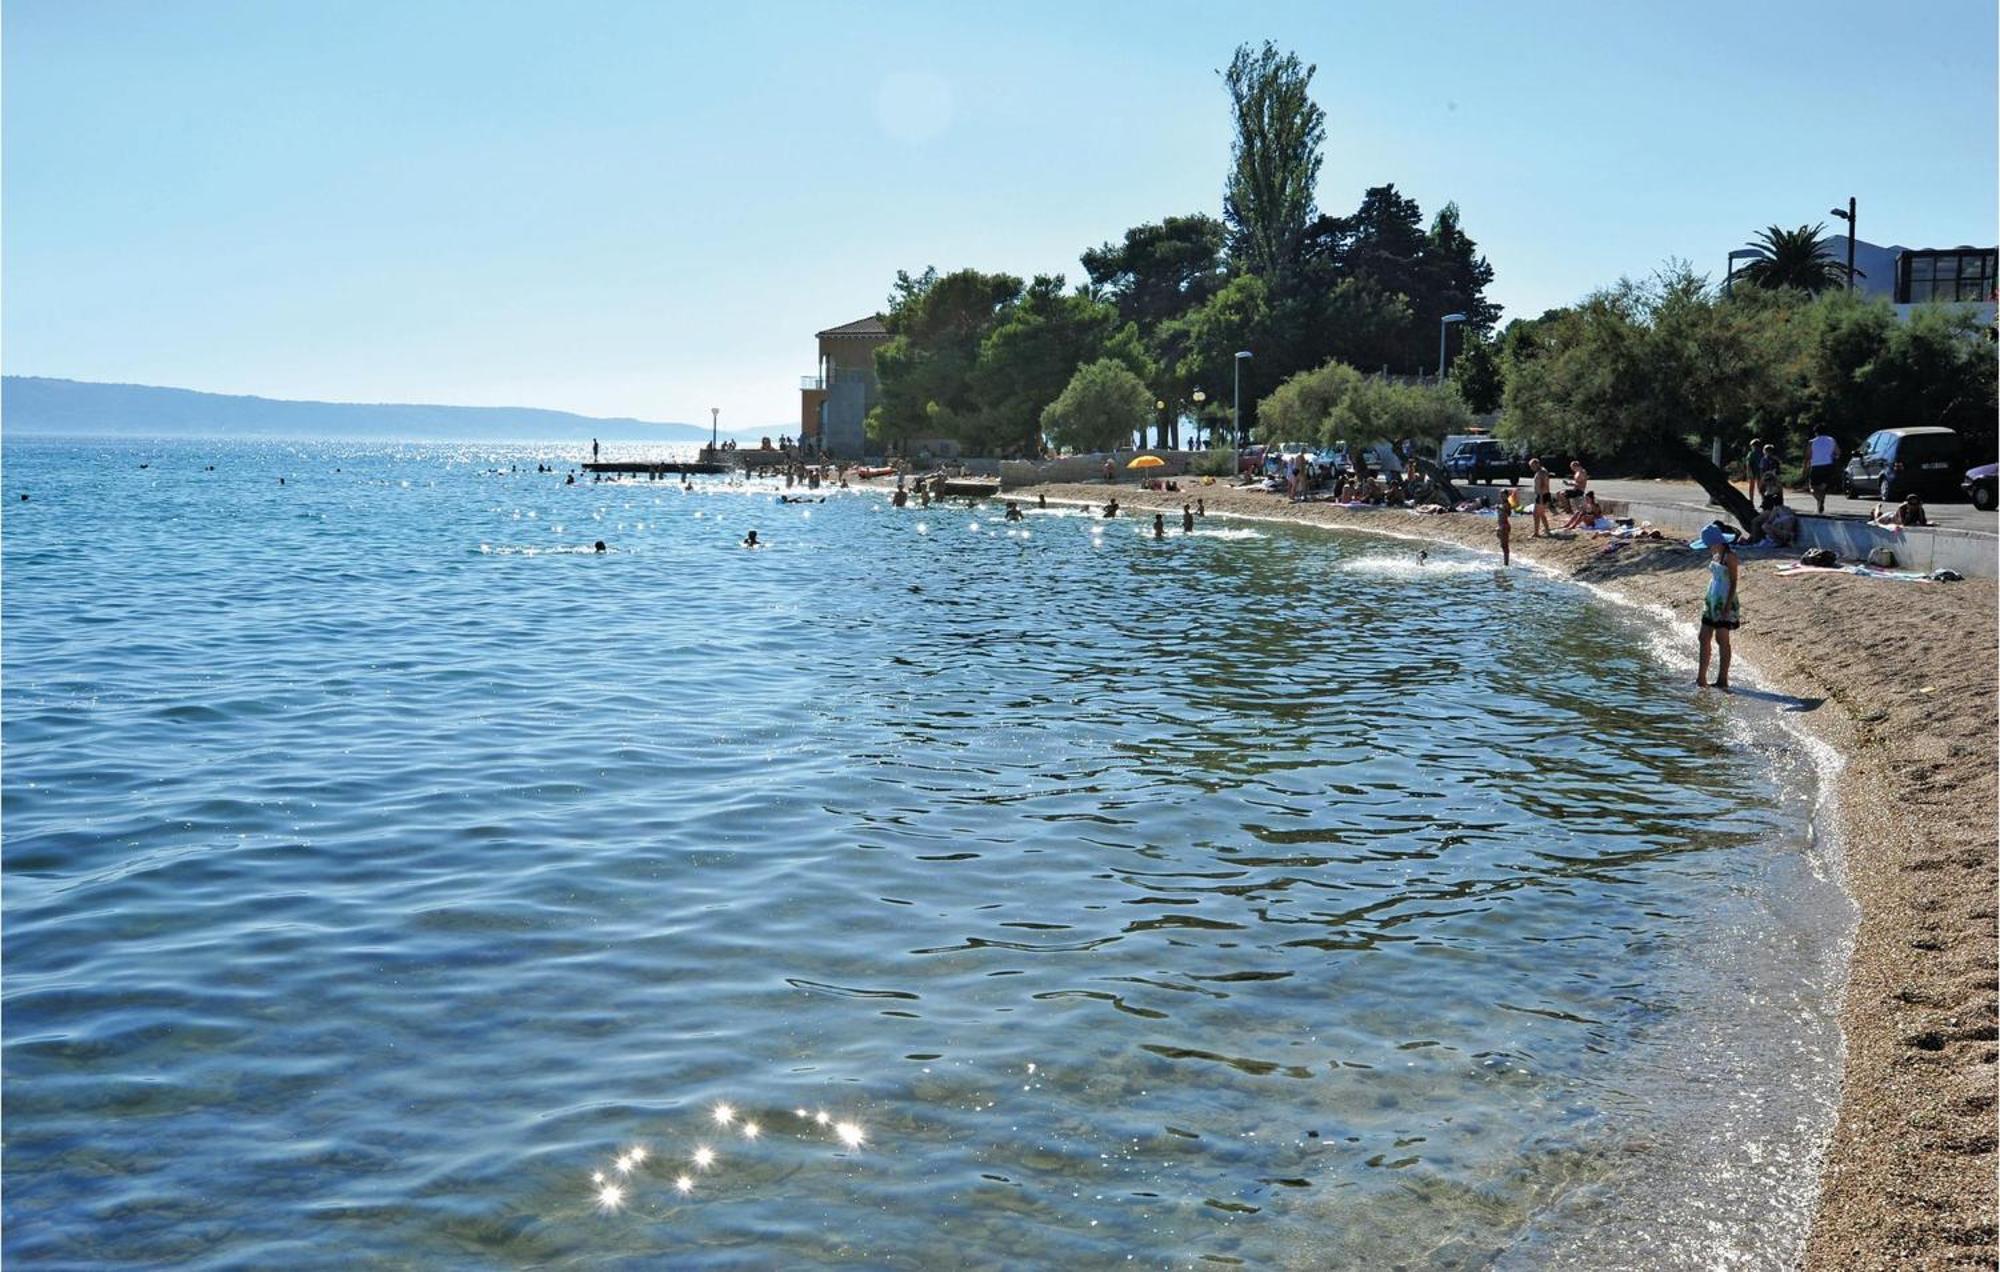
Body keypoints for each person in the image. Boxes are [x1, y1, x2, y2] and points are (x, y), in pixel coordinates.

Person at [1694, 523, 1740, 690]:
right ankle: (1701, 678)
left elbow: (1734, 582)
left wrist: (1727, 605)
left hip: (1724, 600)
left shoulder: (1730, 557)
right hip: (1712, 599)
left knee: (1722, 639)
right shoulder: (1716, 555)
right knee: (1703, 637)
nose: (1707, 548)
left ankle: (1722, 679)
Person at [1806, 426, 1840, 513]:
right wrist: (1833, 456)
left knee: (1812, 486)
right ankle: (1820, 503)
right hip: (1828, 465)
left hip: (1816, 466)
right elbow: (1838, 453)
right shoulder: (1831, 440)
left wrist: (1806, 467)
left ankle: (1819, 500)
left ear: (1816, 432)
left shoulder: (1811, 442)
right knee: (1822, 488)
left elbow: (1808, 456)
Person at [1528, 458, 1553, 538]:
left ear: (1537, 464)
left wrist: (1541, 498)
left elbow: (1543, 485)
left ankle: (1536, 532)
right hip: (1542, 495)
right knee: (1541, 514)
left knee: (1536, 514)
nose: (1531, 468)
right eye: (1531, 466)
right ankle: (1547, 529)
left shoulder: (1542, 472)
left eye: (1532, 466)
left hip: (1542, 495)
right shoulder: (1541, 471)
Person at [1743, 437, 1764, 503]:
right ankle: (1751, 501)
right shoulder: (1752, 453)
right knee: (1753, 486)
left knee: (1759, 487)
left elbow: (1748, 464)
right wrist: (1749, 472)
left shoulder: (1758, 453)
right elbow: (1748, 464)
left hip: (1758, 471)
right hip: (1753, 471)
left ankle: (1763, 500)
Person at [1495, 494, 1512, 566]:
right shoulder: (1502, 504)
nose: (1501, 496)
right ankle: (1505, 562)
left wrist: (1500, 508)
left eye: (1503, 495)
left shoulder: (1507, 504)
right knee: (1503, 545)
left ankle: (1506, 563)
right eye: (1501, 495)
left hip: (1504, 526)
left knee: (1505, 546)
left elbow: (1508, 513)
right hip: (1501, 525)